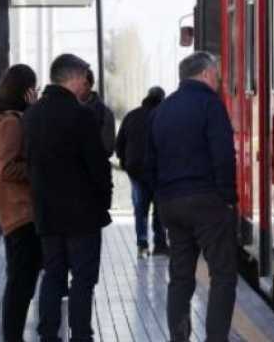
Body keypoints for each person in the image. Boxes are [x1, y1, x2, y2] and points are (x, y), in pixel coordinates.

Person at [146, 52, 238, 342]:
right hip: (206, 201)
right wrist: (227, 196)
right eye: (216, 74)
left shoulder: (163, 109)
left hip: (171, 202)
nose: (218, 79)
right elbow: (223, 155)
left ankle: (179, 337)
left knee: (181, 276)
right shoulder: (211, 105)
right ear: (206, 74)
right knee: (223, 275)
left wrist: (161, 196)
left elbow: (149, 159)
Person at [23, 54, 113, 342]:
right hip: (82, 215)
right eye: (85, 79)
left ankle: (48, 333)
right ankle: (81, 334)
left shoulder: (32, 115)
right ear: (73, 78)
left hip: (46, 213)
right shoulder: (82, 115)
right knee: (83, 280)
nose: (87, 85)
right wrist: (104, 200)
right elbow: (97, 166)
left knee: (53, 274)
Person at [0, 65, 41, 342]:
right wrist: (39, 167)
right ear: (25, 90)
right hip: (22, 211)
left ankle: (12, 336)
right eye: (34, 87)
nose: (36, 93)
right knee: (21, 283)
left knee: (20, 281)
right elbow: (7, 168)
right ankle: (12, 337)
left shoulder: (0, 120)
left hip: (12, 211)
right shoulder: (12, 123)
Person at [115, 86, 169, 257]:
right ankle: (160, 244)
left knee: (140, 208)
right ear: (162, 99)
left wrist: (125, 162)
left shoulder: (132, 115)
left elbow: (119, 143)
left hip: (135, 170)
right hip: (158, 170)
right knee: (160, 208)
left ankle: (142, 245)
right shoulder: (164, 116)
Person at [80, 69, 116, 157]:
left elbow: (107, 148)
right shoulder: (67, 108)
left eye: (82, 84)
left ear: (89, 85)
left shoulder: (105, 113)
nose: (78, 88)